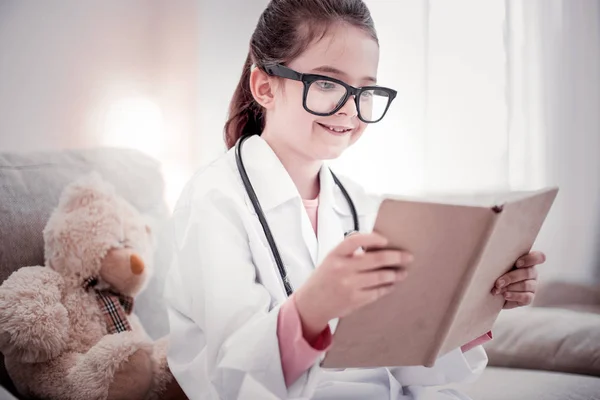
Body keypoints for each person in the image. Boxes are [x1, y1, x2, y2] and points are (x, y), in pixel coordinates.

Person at [164, 1, 546, 398]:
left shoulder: (360, 205)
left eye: (365, 90)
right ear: (264, 87)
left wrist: (477, 300)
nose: (350, 108)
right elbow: (235, 378)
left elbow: (413, 364)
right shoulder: (214, 200)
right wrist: (313, 307)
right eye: (327, 83)